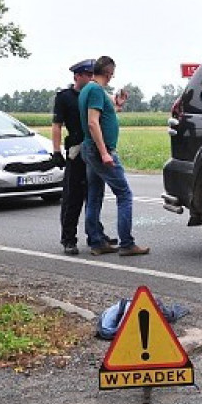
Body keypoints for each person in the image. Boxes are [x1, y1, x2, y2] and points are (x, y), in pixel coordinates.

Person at [79, 56, 150, 256]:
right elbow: (93, 122)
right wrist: (104, 153)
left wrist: (116, 107)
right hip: (99, 150)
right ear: (109, 72)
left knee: (94, 196)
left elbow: (103, 117)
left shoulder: (89, 90)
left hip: (91, 149)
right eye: (112, 73)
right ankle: (127, 243)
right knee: (124, 195)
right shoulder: (95, 90)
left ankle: (96, 242)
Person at [51, 59, 116, 255]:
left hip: (93, 149)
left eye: (92, 74)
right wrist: (56, 151)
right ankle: (68, 239)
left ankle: (95, 234)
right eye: (87, 75)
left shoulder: (93, 93)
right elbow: (57, 125)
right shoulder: (65, 97)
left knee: (94, 194)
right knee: (73, 197)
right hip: (76, 151)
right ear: (77, 76)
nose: (90, 78)